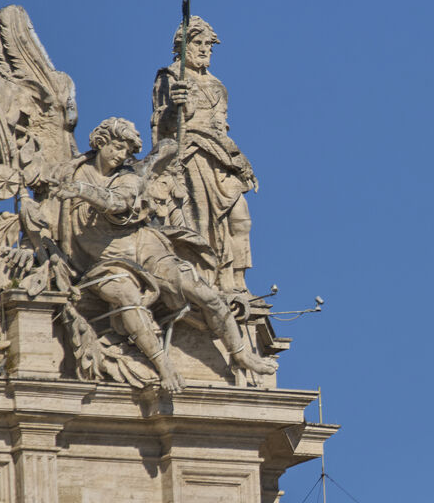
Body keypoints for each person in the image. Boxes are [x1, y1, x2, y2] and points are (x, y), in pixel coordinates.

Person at [53, 117, 277, 393]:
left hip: (145, 248)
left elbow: (119, 202)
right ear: (101, 142)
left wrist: (82, 191)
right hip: (105, 262)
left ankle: (240, 352)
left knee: (202, 291)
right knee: (127, 299)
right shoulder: (72, 171)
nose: (122, 155)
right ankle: (165, 368)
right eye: (118, 147)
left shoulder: (127, 178)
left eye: (127, 152)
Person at [152, 16, 257, 292]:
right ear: (182, 46)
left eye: (208, 45)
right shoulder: (170, 77)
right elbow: (162, 127)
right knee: (202, 223)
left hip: (220, 158)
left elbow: (222, 130)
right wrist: (176, 106)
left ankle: (239, 281)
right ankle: (213, 280)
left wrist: (239, 161)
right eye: (197, 43)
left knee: (240, 218)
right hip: (192, 157)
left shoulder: (218, 86)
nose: (203, 49)